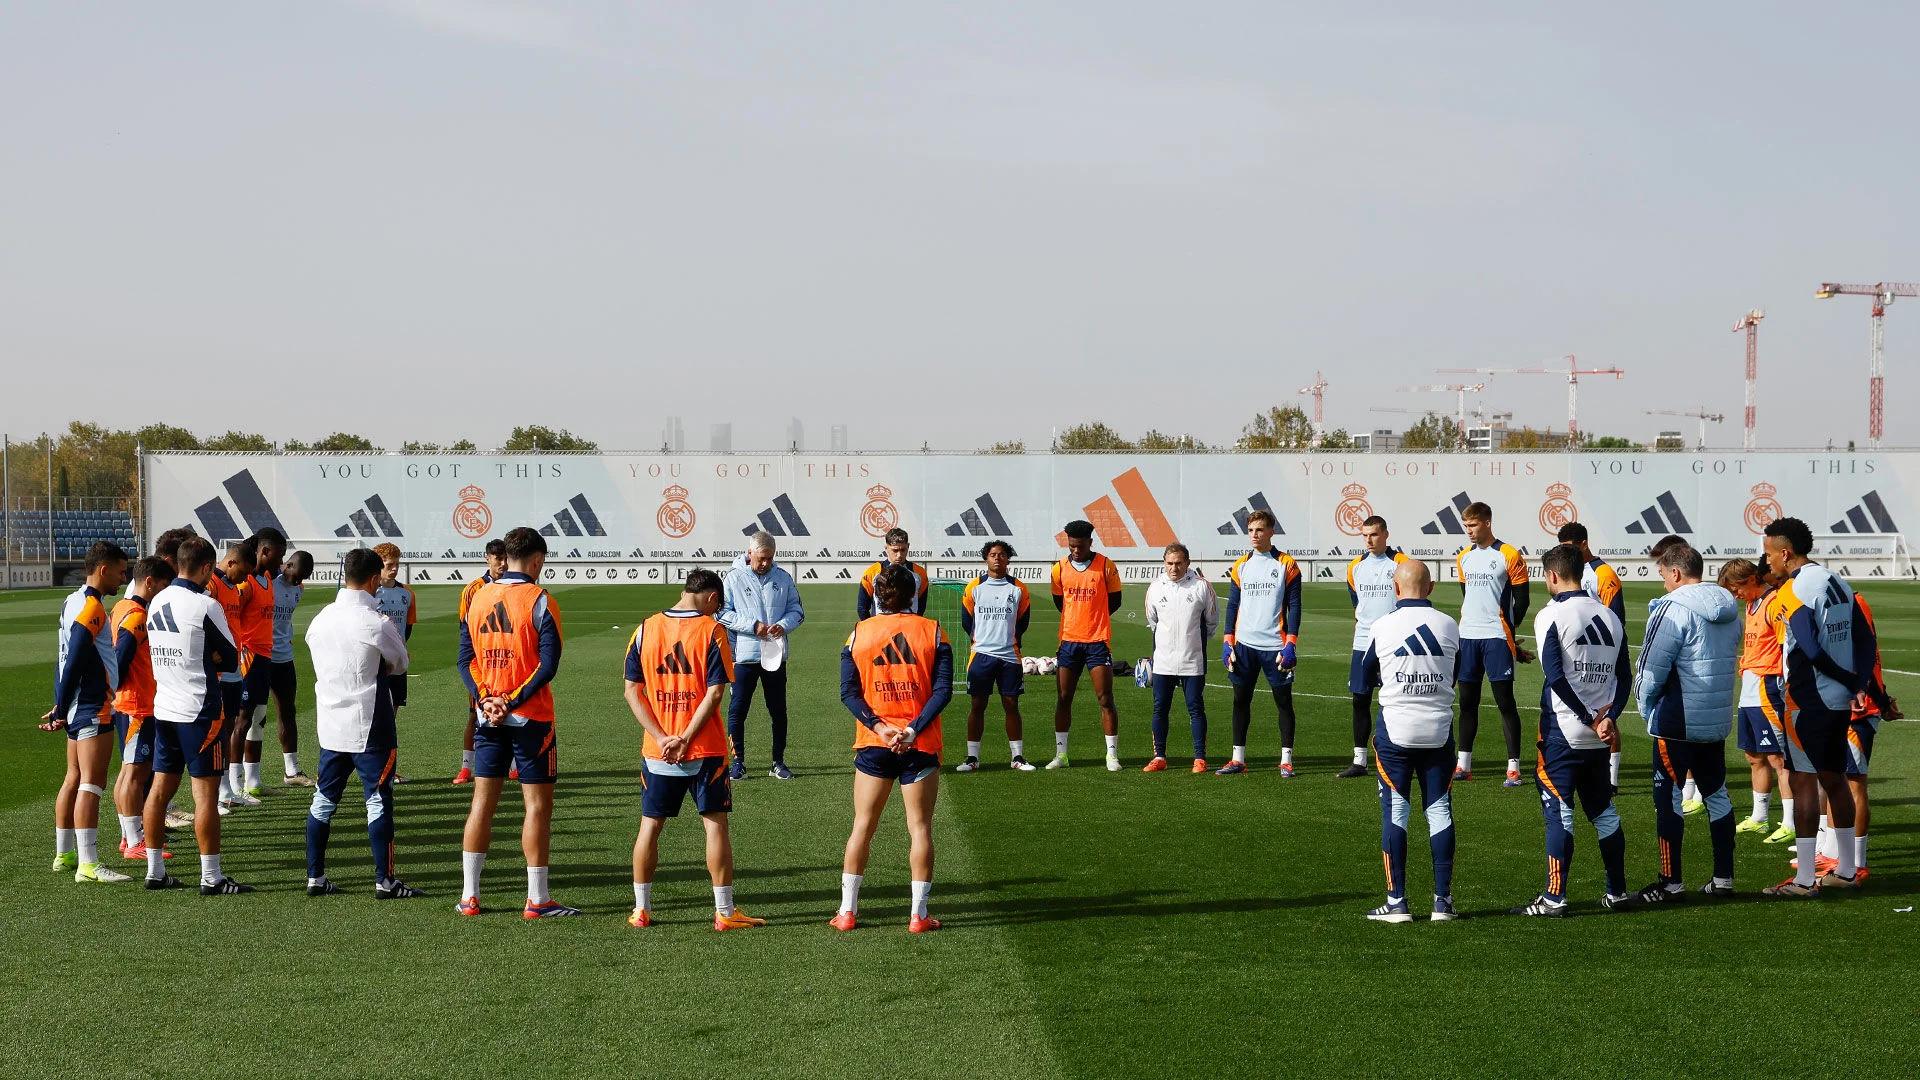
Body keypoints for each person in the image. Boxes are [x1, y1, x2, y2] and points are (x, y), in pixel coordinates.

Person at [623, 569, 764, 931]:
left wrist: (660, 736)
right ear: (713, 599)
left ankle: (641, 909)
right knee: (715, 826)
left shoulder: (645, 628)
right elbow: (715, 692)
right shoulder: (712, 630)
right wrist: (684, 736)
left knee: (649, 827)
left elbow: (631, 691)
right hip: (704, 748)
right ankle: (724, 911)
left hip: (657, 752)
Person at [456, 527, 574, 917]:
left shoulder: (477, 597)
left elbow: (464, 660)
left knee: (482, 803)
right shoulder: (540, 599)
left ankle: (469, 896)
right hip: (530, 718)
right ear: (537, 560)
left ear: (505, 557)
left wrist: (487, 699)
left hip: (487, 717)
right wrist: (511, 700)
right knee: (536, 807)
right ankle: (537, 899)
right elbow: (548, 664)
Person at [1511, 543, 1633, 916]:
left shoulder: (1552, 614)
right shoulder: (1610, 617)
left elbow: (1555, 675)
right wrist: (1609, 716)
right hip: (1600, 734)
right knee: (1604, 812)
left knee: (1560, 812)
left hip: (1564, 729)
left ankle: (1554, 897)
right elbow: (1625, 676)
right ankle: (1617, 892)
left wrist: (1587, 716)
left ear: (1551, 575)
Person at [832, 565, 954, 933]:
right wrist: (913, 728)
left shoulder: (858, 634)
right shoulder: (933, 632)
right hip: (919, 743)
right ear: (913, 594)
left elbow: (848, 693)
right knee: (919, 829)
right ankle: (918, 916)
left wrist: (880, 727)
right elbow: (942, 691)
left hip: (875, 742)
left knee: (862, 827)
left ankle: (847, 912)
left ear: (877, 596)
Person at [303, 548, 424, 899]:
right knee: (377, 799)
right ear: (373, 580)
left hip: (330, 721)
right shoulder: (375, 622)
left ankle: (315, 877)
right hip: (370, 722)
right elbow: (400, 662)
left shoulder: (321, 618)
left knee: (323, 800)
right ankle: (384, 881)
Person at [1760, 517, 1864, 897]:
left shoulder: (1793, 590)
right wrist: (1856, 682)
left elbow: (1810, 648)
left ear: (1785, 553)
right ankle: (1848, 870)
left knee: (1803, 781)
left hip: (1807, 700)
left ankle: (1805, 880)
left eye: (1769, 554)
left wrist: (1844, 677)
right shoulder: (1838, 581)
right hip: (1836, 701)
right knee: (1834, 779)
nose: (1767, 561)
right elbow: (1864, 637)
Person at [141, 535, 252, 894]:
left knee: (159, 791)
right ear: (206, 568)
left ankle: (155, 871)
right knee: (204, 797)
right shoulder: (206, 605)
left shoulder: (156, 599)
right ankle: (211, 877)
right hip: (200, 711)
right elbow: (233, 658)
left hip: (165, 708)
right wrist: (208, 658)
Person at [1633, 541, 1741, 902]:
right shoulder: (1731, 609)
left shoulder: (1672, 609)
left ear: (1676, 573)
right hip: (1715, 720)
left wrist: (1646, 708)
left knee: (1669, 799)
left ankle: (1670, 883)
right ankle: (1723, 878)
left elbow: (1651, 669)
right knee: (1718, 795)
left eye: (1663, 575)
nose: (1662, 582)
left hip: (1676, 720)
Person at [1359, 559, 1460, 923]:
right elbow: (1457, 672)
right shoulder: (1449, 624)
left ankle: (1397, 902)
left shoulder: (1382, 625)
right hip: (1438, 731)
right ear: (1430, 587)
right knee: (1439, 811)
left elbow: (1363, 677)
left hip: (1396, 732)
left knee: (1396, 811)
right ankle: (1442, 903)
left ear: (1395, 589)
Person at [41, 541, 131, 883]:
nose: (123, 579)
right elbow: (76, 654)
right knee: (92, 783)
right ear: (103, 569)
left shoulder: (71, 600)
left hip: (76, 702)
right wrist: (62, 707)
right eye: (121, 571)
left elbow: (63, 656)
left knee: (74, 777)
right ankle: (88, 864)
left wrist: (60, 703)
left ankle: (64, 855)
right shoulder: (92, 607)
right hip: (91, 704)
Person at [1219, 510, 1303, 777]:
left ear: (1271, 532)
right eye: (1251, 530)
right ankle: (1237, 758)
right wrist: (1227, 641)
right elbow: (1233, 605)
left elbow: (1295, 606)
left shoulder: (1287, 564)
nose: (1254, 535)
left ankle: (1286, 760)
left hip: (1275, 647)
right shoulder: (1240, 565)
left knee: (1283, 702)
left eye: (1260, 530)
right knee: (1240, 701)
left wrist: (1291, 643)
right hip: (1244, 647)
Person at [1453, 502, 1532, 786]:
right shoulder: (1463, 557)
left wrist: (1510, 631)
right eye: (1466, 527)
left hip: (1497, 638)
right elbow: (1468, 596)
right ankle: (1463, 765)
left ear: (1487, 522)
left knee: (1505, 702)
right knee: (1467, 703)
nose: (1469, 532)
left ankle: (1513, 768)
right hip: (1468, 637)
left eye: (1473, 526)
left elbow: (1522, 599)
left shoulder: (1508, 554)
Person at [719, 531, 806, 780]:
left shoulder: (783, 577)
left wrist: (784, 625)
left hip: (775, 655)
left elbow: (797, 610)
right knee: (738, 709)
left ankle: (778, 762)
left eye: (770, 558)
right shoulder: (733, 578)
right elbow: (722, 613)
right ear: (750, 553)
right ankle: (738, 762)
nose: (766, 563)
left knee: (778, 710)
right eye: (762, 558)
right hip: (744, 656)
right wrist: (752, 625)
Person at [1721, 558, 1796, 843]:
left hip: (1768, 687)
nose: (1735, 595)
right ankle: (1760, 818)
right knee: (1753, 756)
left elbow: (1785, 645)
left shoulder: (1774, 602)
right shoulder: (1752, 604)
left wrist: (1784, 684)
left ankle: (1790, 822)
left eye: (1736, 588)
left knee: (1778, 758)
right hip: (1750, 688)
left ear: (1750, 579)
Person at [110, 555, 175, 863]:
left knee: (128, 772)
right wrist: (120, 687)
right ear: (150, 582)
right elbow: (120, 658)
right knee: (134, 774)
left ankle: (128, 834)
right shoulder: (136, 615)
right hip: (137, 704)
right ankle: (134, 840)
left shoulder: (121, 607)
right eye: (163, 586)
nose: (165, 591)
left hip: (131, 702)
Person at [1049, 519, 1124, 771]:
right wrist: (1077, 620)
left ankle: (1111, 755)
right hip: (1069, 641)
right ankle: (1061, 755)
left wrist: (1094, 620)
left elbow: (1115, 601)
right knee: (1063, 698)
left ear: (1090, 542)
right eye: (1071, 546)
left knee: (1105, 698)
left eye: (1080, 546)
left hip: (1097, 642)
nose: (1075, 551)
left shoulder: (1105, 566)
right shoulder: (1059, 568)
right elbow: (1060, 602)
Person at [956, 540, 1035, 772]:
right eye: (992, 555)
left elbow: (1023, 621)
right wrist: (982, 641)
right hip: (981, 655)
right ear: (986, 559)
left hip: (1009, 656)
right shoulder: (974, 587)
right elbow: (966, 620)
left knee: (1011, 704)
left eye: (1001, 555)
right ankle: (972, 758)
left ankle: (1017, 757)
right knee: (977, 704)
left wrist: (1008, 639)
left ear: (1008, 559)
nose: (997, 558)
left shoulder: (1019, 588)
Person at [1558, 522, 1626, 787]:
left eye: (1570, 547)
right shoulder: (1568, 571)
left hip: (1601, 654)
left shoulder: (1603, 573)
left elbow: (1616, 619)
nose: (1566, 553)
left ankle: (1612, 778)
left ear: (1583, 544)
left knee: (1607, 712)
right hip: (1575, 655)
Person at [1842, 590, 1899, 881]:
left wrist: (1882, 700)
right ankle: (1836, 855)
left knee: (1854, 785)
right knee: (1833, 782)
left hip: (1859, 713)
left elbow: (1869, 662)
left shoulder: (1854, 605)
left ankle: (1859, 861)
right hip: (1840, 711)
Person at [1144, 543, 1216, 773]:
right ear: (1164, 563)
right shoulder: (1155, 587)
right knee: (1159, 708)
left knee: (1195, 708)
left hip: (1192, 660)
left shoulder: (1201, 587)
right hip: (1163, 660)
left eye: (1178, 563)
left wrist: (1194, 643)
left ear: (1187, 563)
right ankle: (1159, 757)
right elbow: (1152, 621)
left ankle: (1199, 758)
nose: (1173, 568)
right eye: (1169, 563)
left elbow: (1211, 621)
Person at [1344, 516, 1406, 779]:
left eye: (1374, 535)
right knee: (1360, 699)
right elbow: (1356, 601)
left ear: (1386, 534)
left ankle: (1398, 755)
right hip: (1363, 642)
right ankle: (1359, 760)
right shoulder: (1355, 567)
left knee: (1396, 700)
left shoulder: (1401, 563)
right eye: (1365, 535)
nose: (1369, 540)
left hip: (1393, 642)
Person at [231, 528, 283, 799]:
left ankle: (253, 780)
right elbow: (230, 616)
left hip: (265, 656)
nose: (281, 561)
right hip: (248, 657)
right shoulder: (246, 582)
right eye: (279, 554)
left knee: (258, 719)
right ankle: (233, 784)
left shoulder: (266, 579)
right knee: (241, 719)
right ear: (264, 551)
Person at [452, 538, 508, 784]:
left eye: (506, 558)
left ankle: (515, 766)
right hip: (481, 664)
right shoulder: (474, 589)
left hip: (507, 661)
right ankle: (466, 767)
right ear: (488, 558)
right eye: (498, 559)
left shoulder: (512, 586)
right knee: (476, 714)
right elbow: (465, 629)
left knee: (510, 710)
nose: (503, 564)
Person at [210, 538, 258, 811]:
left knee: (228, 725)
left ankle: (226, 788)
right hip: (217, 672)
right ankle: (215, 792)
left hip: (234, 667)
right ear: (231, 562)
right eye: (242, 572)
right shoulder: (212, 586)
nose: (244, 579)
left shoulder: (230, 587)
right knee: (216, 730)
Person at [371, 542, 417, 783]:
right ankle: (373, 767)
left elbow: (407, 629)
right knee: (372, 717)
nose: (395, 569)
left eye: (397, 564)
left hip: (396, 664)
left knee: (391, 717)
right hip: (374, 664)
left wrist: (397, 652)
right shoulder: (370, 593)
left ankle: (386, 769)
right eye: (389, 565)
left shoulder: (406, 593)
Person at [270, 550, 314, 785]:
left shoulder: (298, 589)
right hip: (260, 656)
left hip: (284, 657)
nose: (299, 581)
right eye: (297, 574)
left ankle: (292, 771)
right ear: (287, 565)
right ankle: (242, 778)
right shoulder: (269, 584)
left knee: (288, 711)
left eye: (304, 577)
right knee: (250, 717)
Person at [857, 527, 930, 619]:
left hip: (909, 628)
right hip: (882, 629)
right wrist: (871, 629)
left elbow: (921, 606)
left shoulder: (920, 573)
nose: (899, 555)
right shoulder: (872, 572)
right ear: (886, 548)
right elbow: (862, 608)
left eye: (903, 550)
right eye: (895, 550)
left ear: (908, 546)